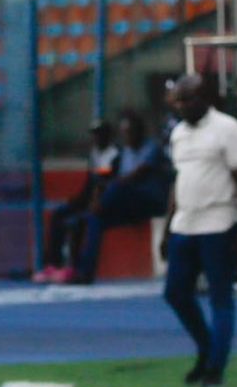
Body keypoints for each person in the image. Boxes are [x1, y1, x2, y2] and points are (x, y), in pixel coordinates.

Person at [159, 74, 237, 386]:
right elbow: (177, 180)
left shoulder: (228, 128)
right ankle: (206, 347)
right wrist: (167, 227)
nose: (182, 106)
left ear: (205, 98)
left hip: (218, 221)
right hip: (184, 222)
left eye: (188, 100)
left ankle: (215, 367)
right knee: (175, 293)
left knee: (220, 297)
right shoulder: (178, 133)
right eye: (178, 101)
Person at [69, 110, 172, 285]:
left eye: (130, 132)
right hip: (129, 205)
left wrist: (103, 198)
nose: (127, 136)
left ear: (139, 131)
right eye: (124, 133)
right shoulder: (123, 152)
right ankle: (84, 272)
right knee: (95, 220)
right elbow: (106, 177)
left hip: (150, 201)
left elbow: (136, 176)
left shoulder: (151, 148)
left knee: (115, 188)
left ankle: (97, 208)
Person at [34, 118, 120, 282]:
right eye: (94, 134)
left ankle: (74, 268)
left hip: (103, 202)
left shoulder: (115, 155)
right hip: (88, 200)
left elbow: (106, 181)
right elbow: (90, 183)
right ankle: (53, 264)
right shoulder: (94, 154)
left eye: (100, 134)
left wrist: (95, 200)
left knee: (78, 222)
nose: (96, 138)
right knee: (58, 214)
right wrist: (76, 200)